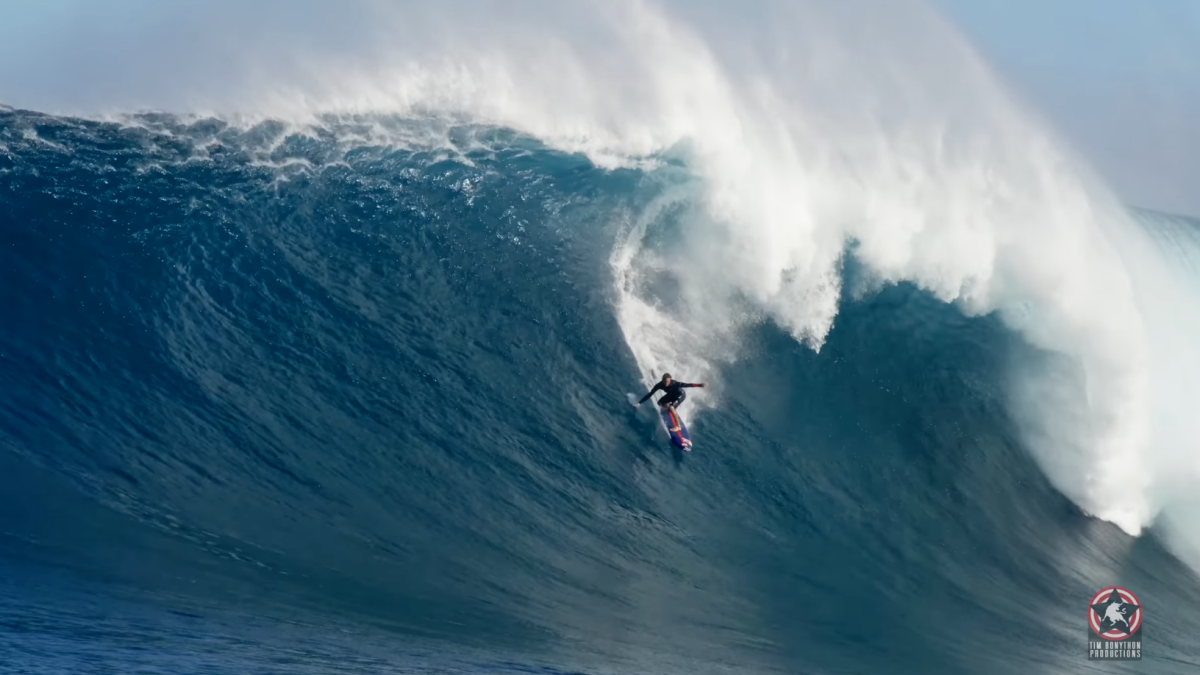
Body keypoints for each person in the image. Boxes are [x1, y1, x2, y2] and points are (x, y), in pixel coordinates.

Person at [636, 373, 707, 411]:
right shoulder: (659, 385)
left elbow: (687, 384)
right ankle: (668, 406)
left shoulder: (674, 383)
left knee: (671, 407)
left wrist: (700, 385)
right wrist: (640, 403)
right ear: (662, 380)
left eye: (668, 381)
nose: (667, 383)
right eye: (665, 381)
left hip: (680, 395)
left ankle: (677, 424)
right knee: (659, 403)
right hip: (671, 395)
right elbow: (650, 394)